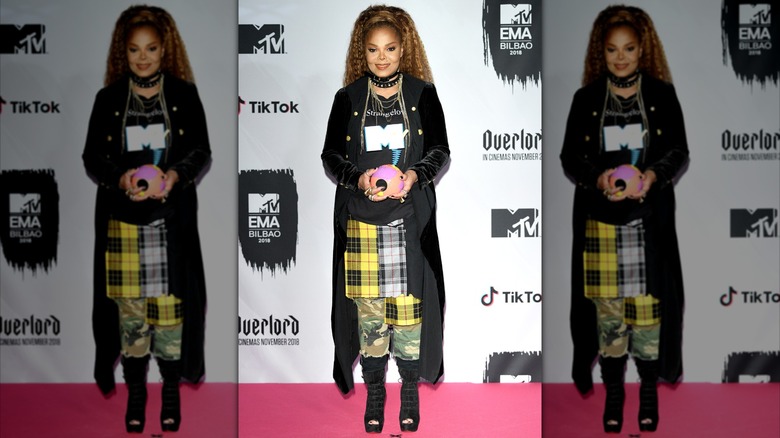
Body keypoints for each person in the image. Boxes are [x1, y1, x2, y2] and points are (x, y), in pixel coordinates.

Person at [560, 5, 688, 434]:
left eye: (629, 49)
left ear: (642, 49)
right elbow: (569, 158)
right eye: (612, 49)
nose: (621, 57)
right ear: (602, 52)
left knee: (649, 316)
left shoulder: (662, 95)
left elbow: (679, 152)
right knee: (608, 318)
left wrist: (651, 176)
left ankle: (648, 392)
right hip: (601, 223)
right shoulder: (586, 99)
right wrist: (598, 178)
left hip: (647, 221)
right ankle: (614, 393)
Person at [82, 5, 211, 433]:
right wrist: (120, 178)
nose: (143, 57)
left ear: (164, 49)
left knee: (171, 315)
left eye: (151, 48)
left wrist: (174, 175)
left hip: (169, 221)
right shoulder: (108, 99)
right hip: (123, 223)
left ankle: (170, 391)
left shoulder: (184, 95)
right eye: (134, 49)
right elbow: (91, 157)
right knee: (130, 317)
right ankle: (136, 392)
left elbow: (201, 152)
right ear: (124, 52)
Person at [321, 5, 449, 433]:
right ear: (363, 52)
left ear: (402, 49)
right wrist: (358, 179)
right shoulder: (348, 98)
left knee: (409, 314)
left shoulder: (422, 94)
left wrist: (414, 175)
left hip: (407, 220)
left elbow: (440, 151)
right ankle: (375, 392)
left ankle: (408, 391)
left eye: (390, 48)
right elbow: (330, 157)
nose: (382, 57)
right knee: (370, 317)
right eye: (373, 49)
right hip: (362, 223)